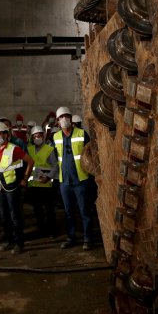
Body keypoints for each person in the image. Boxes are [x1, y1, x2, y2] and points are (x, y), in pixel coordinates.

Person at [53, 107, 93, 250]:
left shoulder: (82, 134)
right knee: (68, 212)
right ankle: (71, 237)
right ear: (57, 122)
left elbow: (91, 153)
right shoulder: (56, 137)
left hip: (81, 180)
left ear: (70, 118)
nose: (64, 119)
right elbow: (55, 159)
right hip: (65, 181)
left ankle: (88, 238)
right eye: (61, 117)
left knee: (84, 211)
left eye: (66, 116)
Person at [0, 122, 34, 254]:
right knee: (4, 216)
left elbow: (30, 161)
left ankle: (19, 243)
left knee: (15, 215)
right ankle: (9, 241)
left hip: (12, 187)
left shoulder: (14, 148)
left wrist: (25, 178)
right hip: (0, 187)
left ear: (6, 134)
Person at [27, 126, 58, 238]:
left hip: (46, 184)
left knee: (49, 209)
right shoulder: (29, 149)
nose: (37, 138)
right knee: (37, 209)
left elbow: (55, 165)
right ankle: (41, 230)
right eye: (34, 136)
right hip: (33, 185)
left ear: (43, 136)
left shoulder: (48, 149)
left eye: (39, 135)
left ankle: (52, 231)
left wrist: (49, 177)